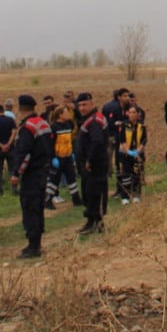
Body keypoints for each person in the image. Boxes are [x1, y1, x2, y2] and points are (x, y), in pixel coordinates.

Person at [8, 95, 52, 258]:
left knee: (30, 208)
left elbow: (24, 153)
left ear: (20, 109)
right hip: (43, 170)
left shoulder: (27, 127)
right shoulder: (43, 123)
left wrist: (16, 173)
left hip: (31, 173)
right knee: (38, 207)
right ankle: (37, 242)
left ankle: (33, 246)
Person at [74, 92, 109, 234]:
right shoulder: (89, 119)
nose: (82, 108)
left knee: (95, 194)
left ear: (92, 104)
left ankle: (97, 223)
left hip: (95, 165)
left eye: (85, 104)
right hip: (89, 165)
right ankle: (91, 222)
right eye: (79, 105)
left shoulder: (94, 121)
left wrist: (89, 160)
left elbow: (97, 142)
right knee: (88, 194)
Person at [44, 105, 82, 209]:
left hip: (68, 157)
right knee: (54, 180)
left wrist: (72, 153)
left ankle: (76, 199)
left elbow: (69, 141)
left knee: (72, 178)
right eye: (66, 112)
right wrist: (53, 158)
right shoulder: (53, 127)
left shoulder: (69, 124)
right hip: (58, 158)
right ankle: (48, 200)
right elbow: (50, 144)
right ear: (60, 115)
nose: (68, 114)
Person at [115, 105, 147, 204]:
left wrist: (138, 151)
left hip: (138, 153)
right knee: (125, 175)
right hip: (125, 154)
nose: (132, 114)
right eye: (130, 112)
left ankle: (136, 195)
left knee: (137, 174)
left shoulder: (142, 126)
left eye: (134, 112)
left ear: (138, 114)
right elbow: (122, 140)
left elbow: (144, 140)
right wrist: (128, 152)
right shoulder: (124, 125)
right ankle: (125, 196)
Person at [0, 102, 18, 196]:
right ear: (3, 110)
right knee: (12, 170)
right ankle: (14, 190)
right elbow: (14, 133)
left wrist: (1, 146)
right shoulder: (10, 120)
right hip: (10, 149)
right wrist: (8, 144)